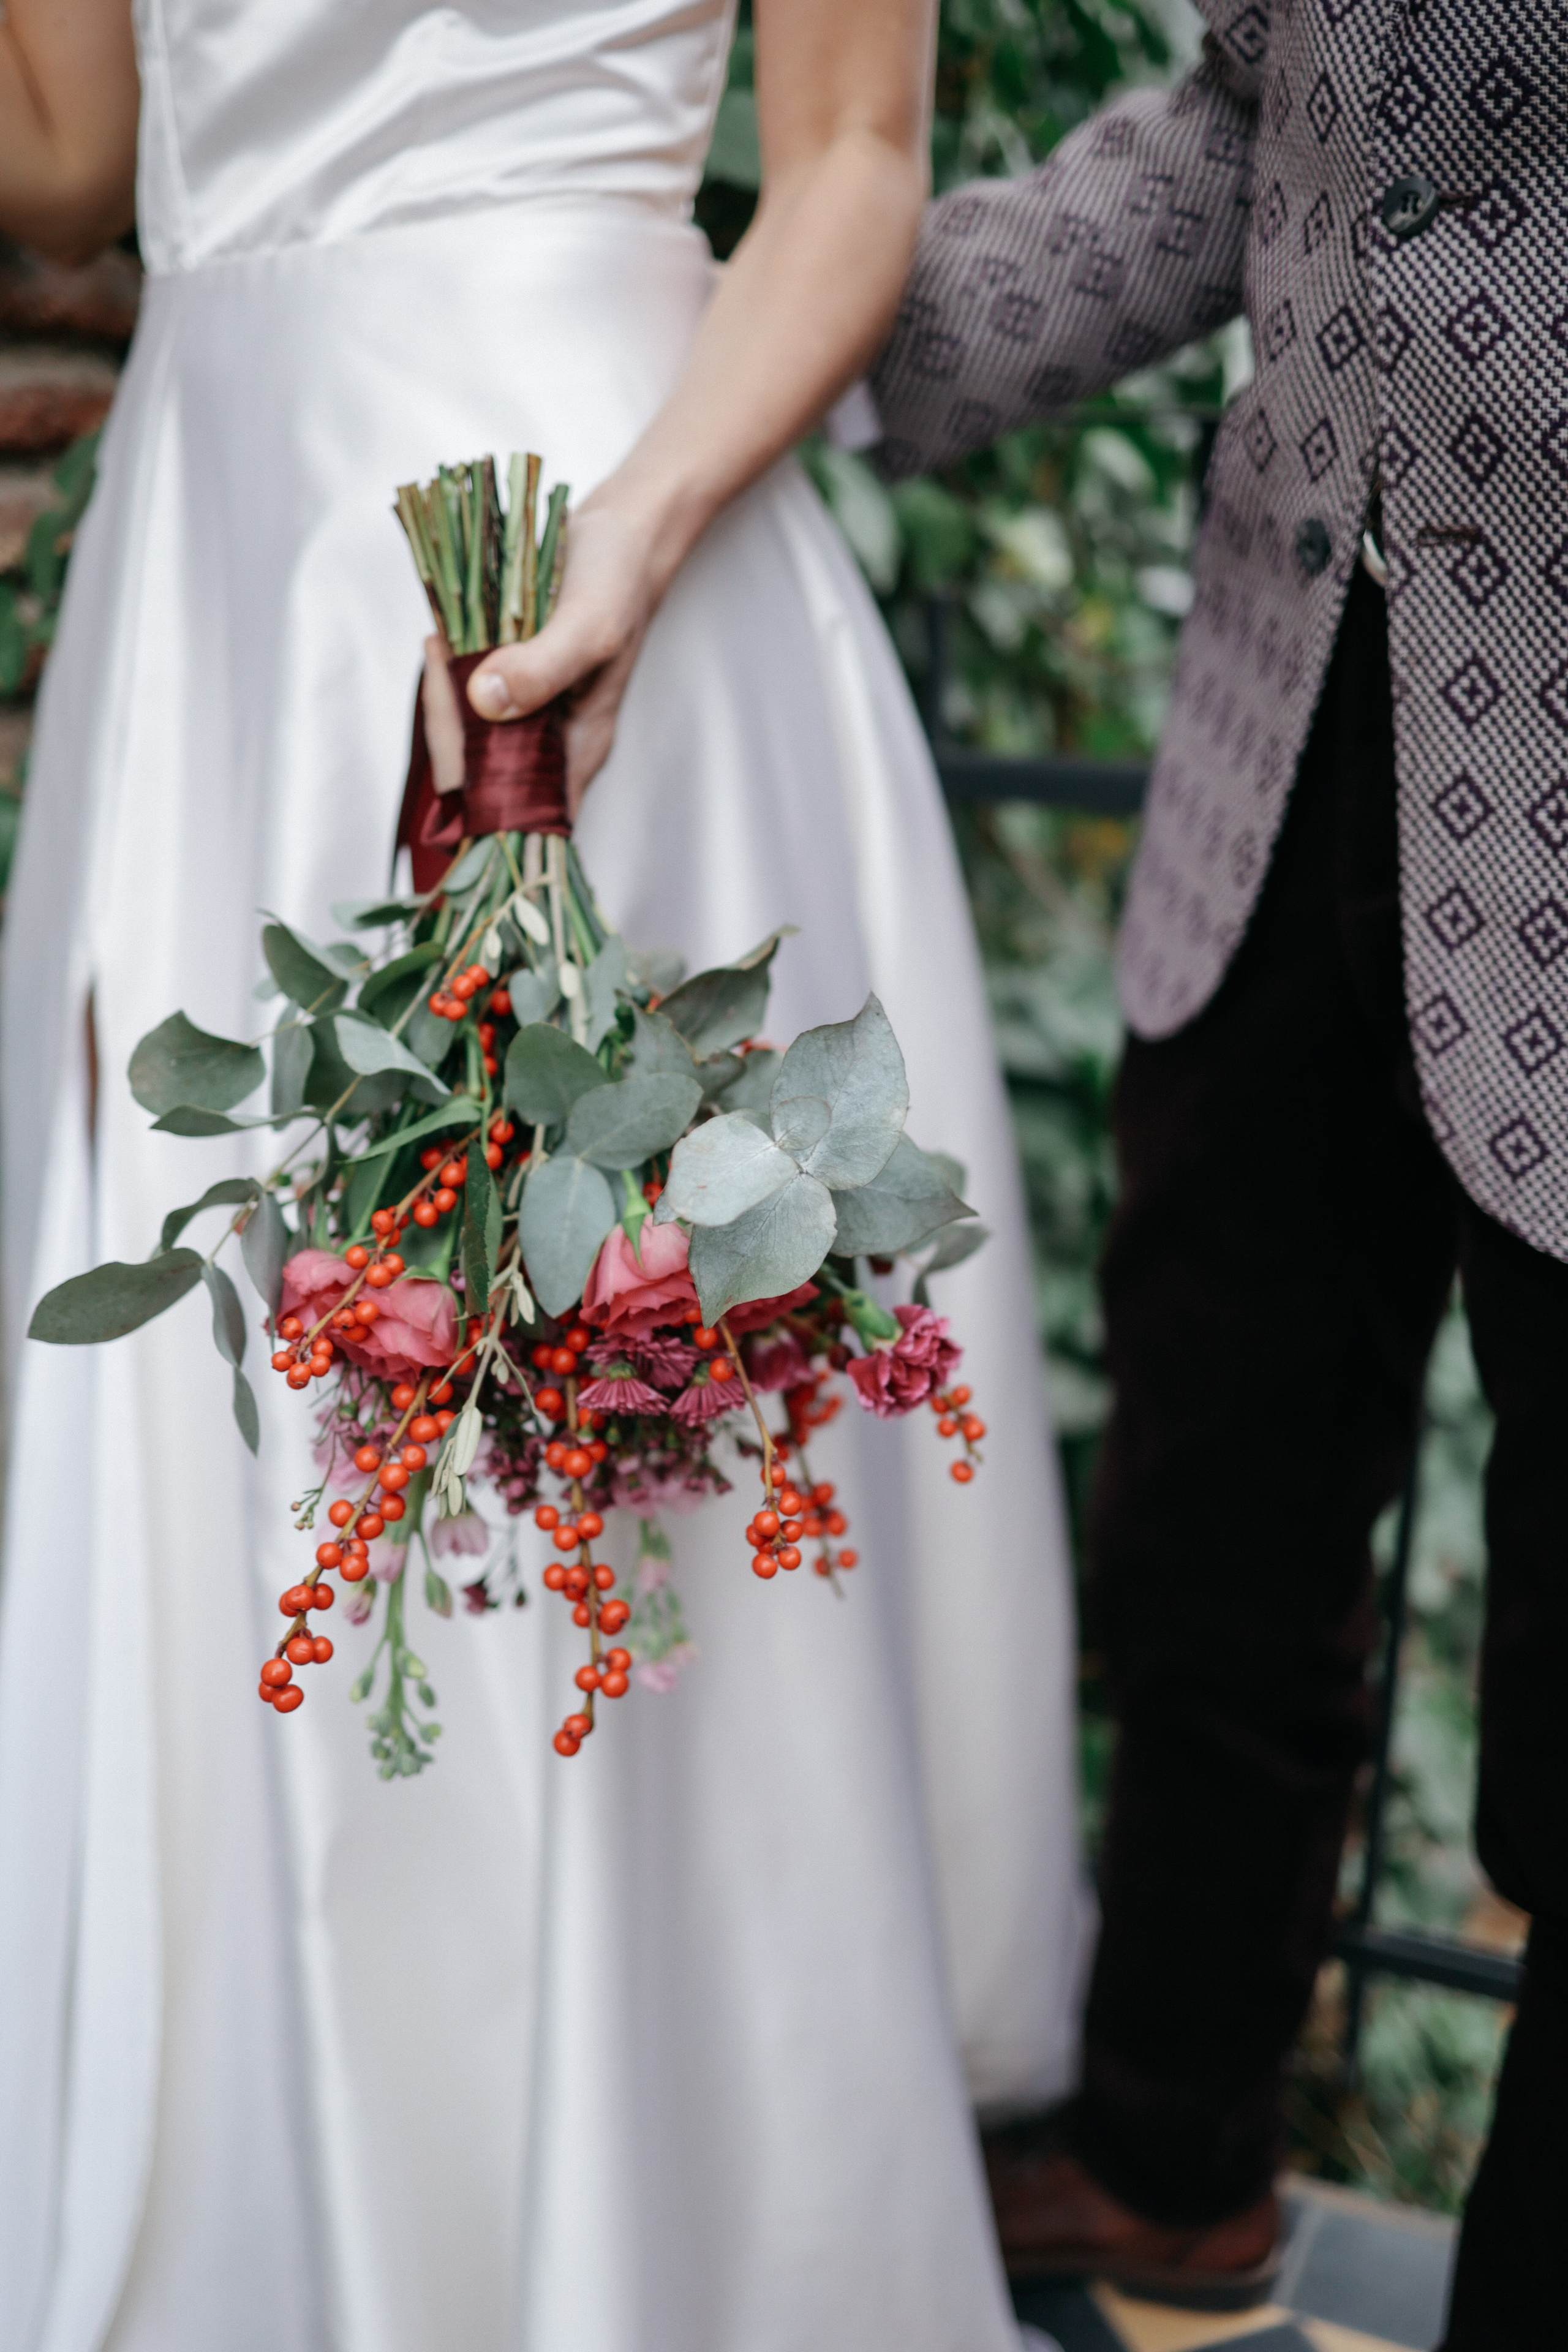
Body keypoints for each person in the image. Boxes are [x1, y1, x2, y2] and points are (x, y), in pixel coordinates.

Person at [0, 4, 1091, 2349]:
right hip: (222, 571)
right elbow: (74, 163)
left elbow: (852, 159)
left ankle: (659, 2247)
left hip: (597, 547)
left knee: (601, 1458)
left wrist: (632, 533)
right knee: (256, 1446)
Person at [869, 2, 1567, 2344]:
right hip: (1291, 733)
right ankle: (1175, 2155)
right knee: (1218, 1511)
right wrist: (827, 321)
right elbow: (1243, 129)